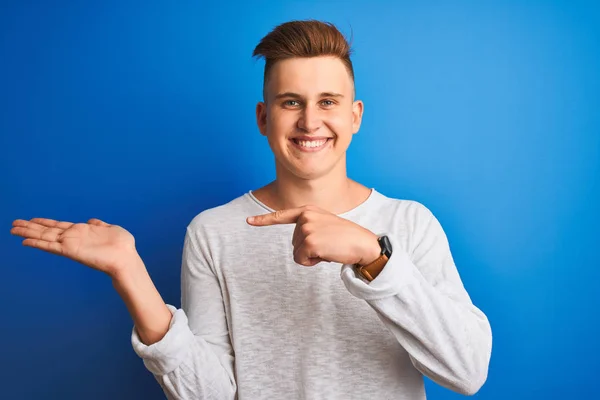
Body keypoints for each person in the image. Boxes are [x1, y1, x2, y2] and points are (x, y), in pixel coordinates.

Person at [10, 20, 492, 399]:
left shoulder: (408, 223)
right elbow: (212, 395)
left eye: (328, 101)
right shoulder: (213, 232)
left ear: (354, 116)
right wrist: (130, 274)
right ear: (264, 117)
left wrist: (374, 257)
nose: (310, 121)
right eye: (290, 102)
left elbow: (467, 372)